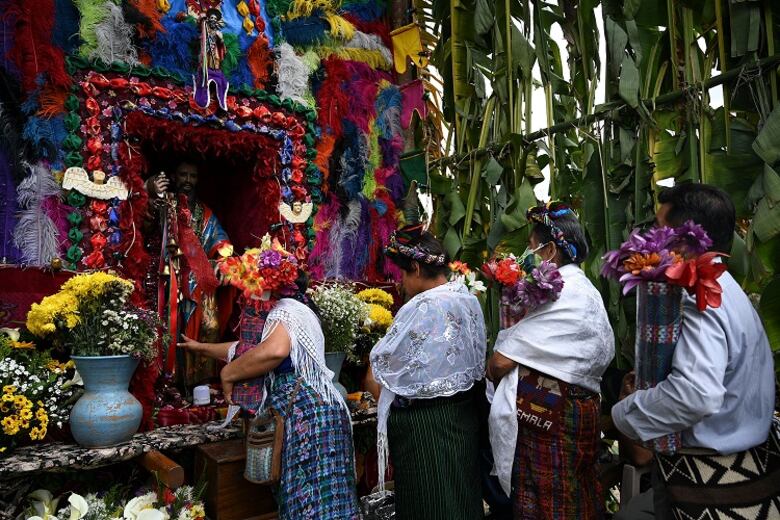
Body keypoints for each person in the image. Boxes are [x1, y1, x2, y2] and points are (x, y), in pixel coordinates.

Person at [612, 183, 778, 519]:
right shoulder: (728, 288)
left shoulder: (699, 294)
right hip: (748, 465)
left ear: (685, 240)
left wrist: (624, 414)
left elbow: (696, 394)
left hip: (705, 474)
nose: (650, 242)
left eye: (658, 231)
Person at [179, 270, 360, 519]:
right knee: (332, 499)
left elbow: (274, 351)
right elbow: (249, 351)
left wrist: (229, 373)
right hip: (322, 411)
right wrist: (201, 348)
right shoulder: (298, 311)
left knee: (308, 501)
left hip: (305, 415)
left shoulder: (283, 310)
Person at [488, 202, 615, 520]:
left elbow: (502, 362)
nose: (526, 257)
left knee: (552, 503)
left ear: (549, 251)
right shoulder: (584, 288)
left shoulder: (564, 290)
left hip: (553, 416)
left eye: (531, 248)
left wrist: (492, 369)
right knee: (575, 496)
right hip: (576, 411)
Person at [368, 224, 486, 520]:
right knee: (458, 498)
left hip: (427, 426)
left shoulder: (421, 306)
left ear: (417, 269)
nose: (402, 283)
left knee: (429, 503)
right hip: (462, 418)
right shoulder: (467, 298)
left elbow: (383, 365)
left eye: (403, 274)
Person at [147, 160, 233, 383]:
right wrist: (150, 189)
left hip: (201, 280)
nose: (188, 180)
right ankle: (171, 382)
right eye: (183, 175)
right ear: (175, 177)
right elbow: (144, 217)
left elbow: (221, 239)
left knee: (210, 326)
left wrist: (224, 261)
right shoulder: (165, 204)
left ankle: (201, 381)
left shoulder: (204, 212)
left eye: (192, 176)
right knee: (171, 329)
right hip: (169, 278)